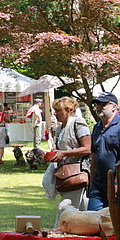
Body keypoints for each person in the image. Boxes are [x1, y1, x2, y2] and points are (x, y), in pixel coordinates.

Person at [48, 96, 92, 225]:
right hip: (64, 175)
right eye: (54, 110)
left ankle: (58, 235)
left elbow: (87, 148)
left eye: (58, 111)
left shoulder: (78, 123)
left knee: (64, 208)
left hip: (76, 174)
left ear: (68, 110)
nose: (55, 113)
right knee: (82, 211)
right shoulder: (60, 128)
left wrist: (65, 153)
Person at [87, 91, 120, 211]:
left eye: (103, 104)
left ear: (114, 106)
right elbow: (94, 156)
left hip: (119, 182)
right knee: (92, 221)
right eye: (97, 104)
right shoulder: (97, 127)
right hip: (98, 185)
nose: (99, 107)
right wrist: (91, 181)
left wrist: (118, 181)